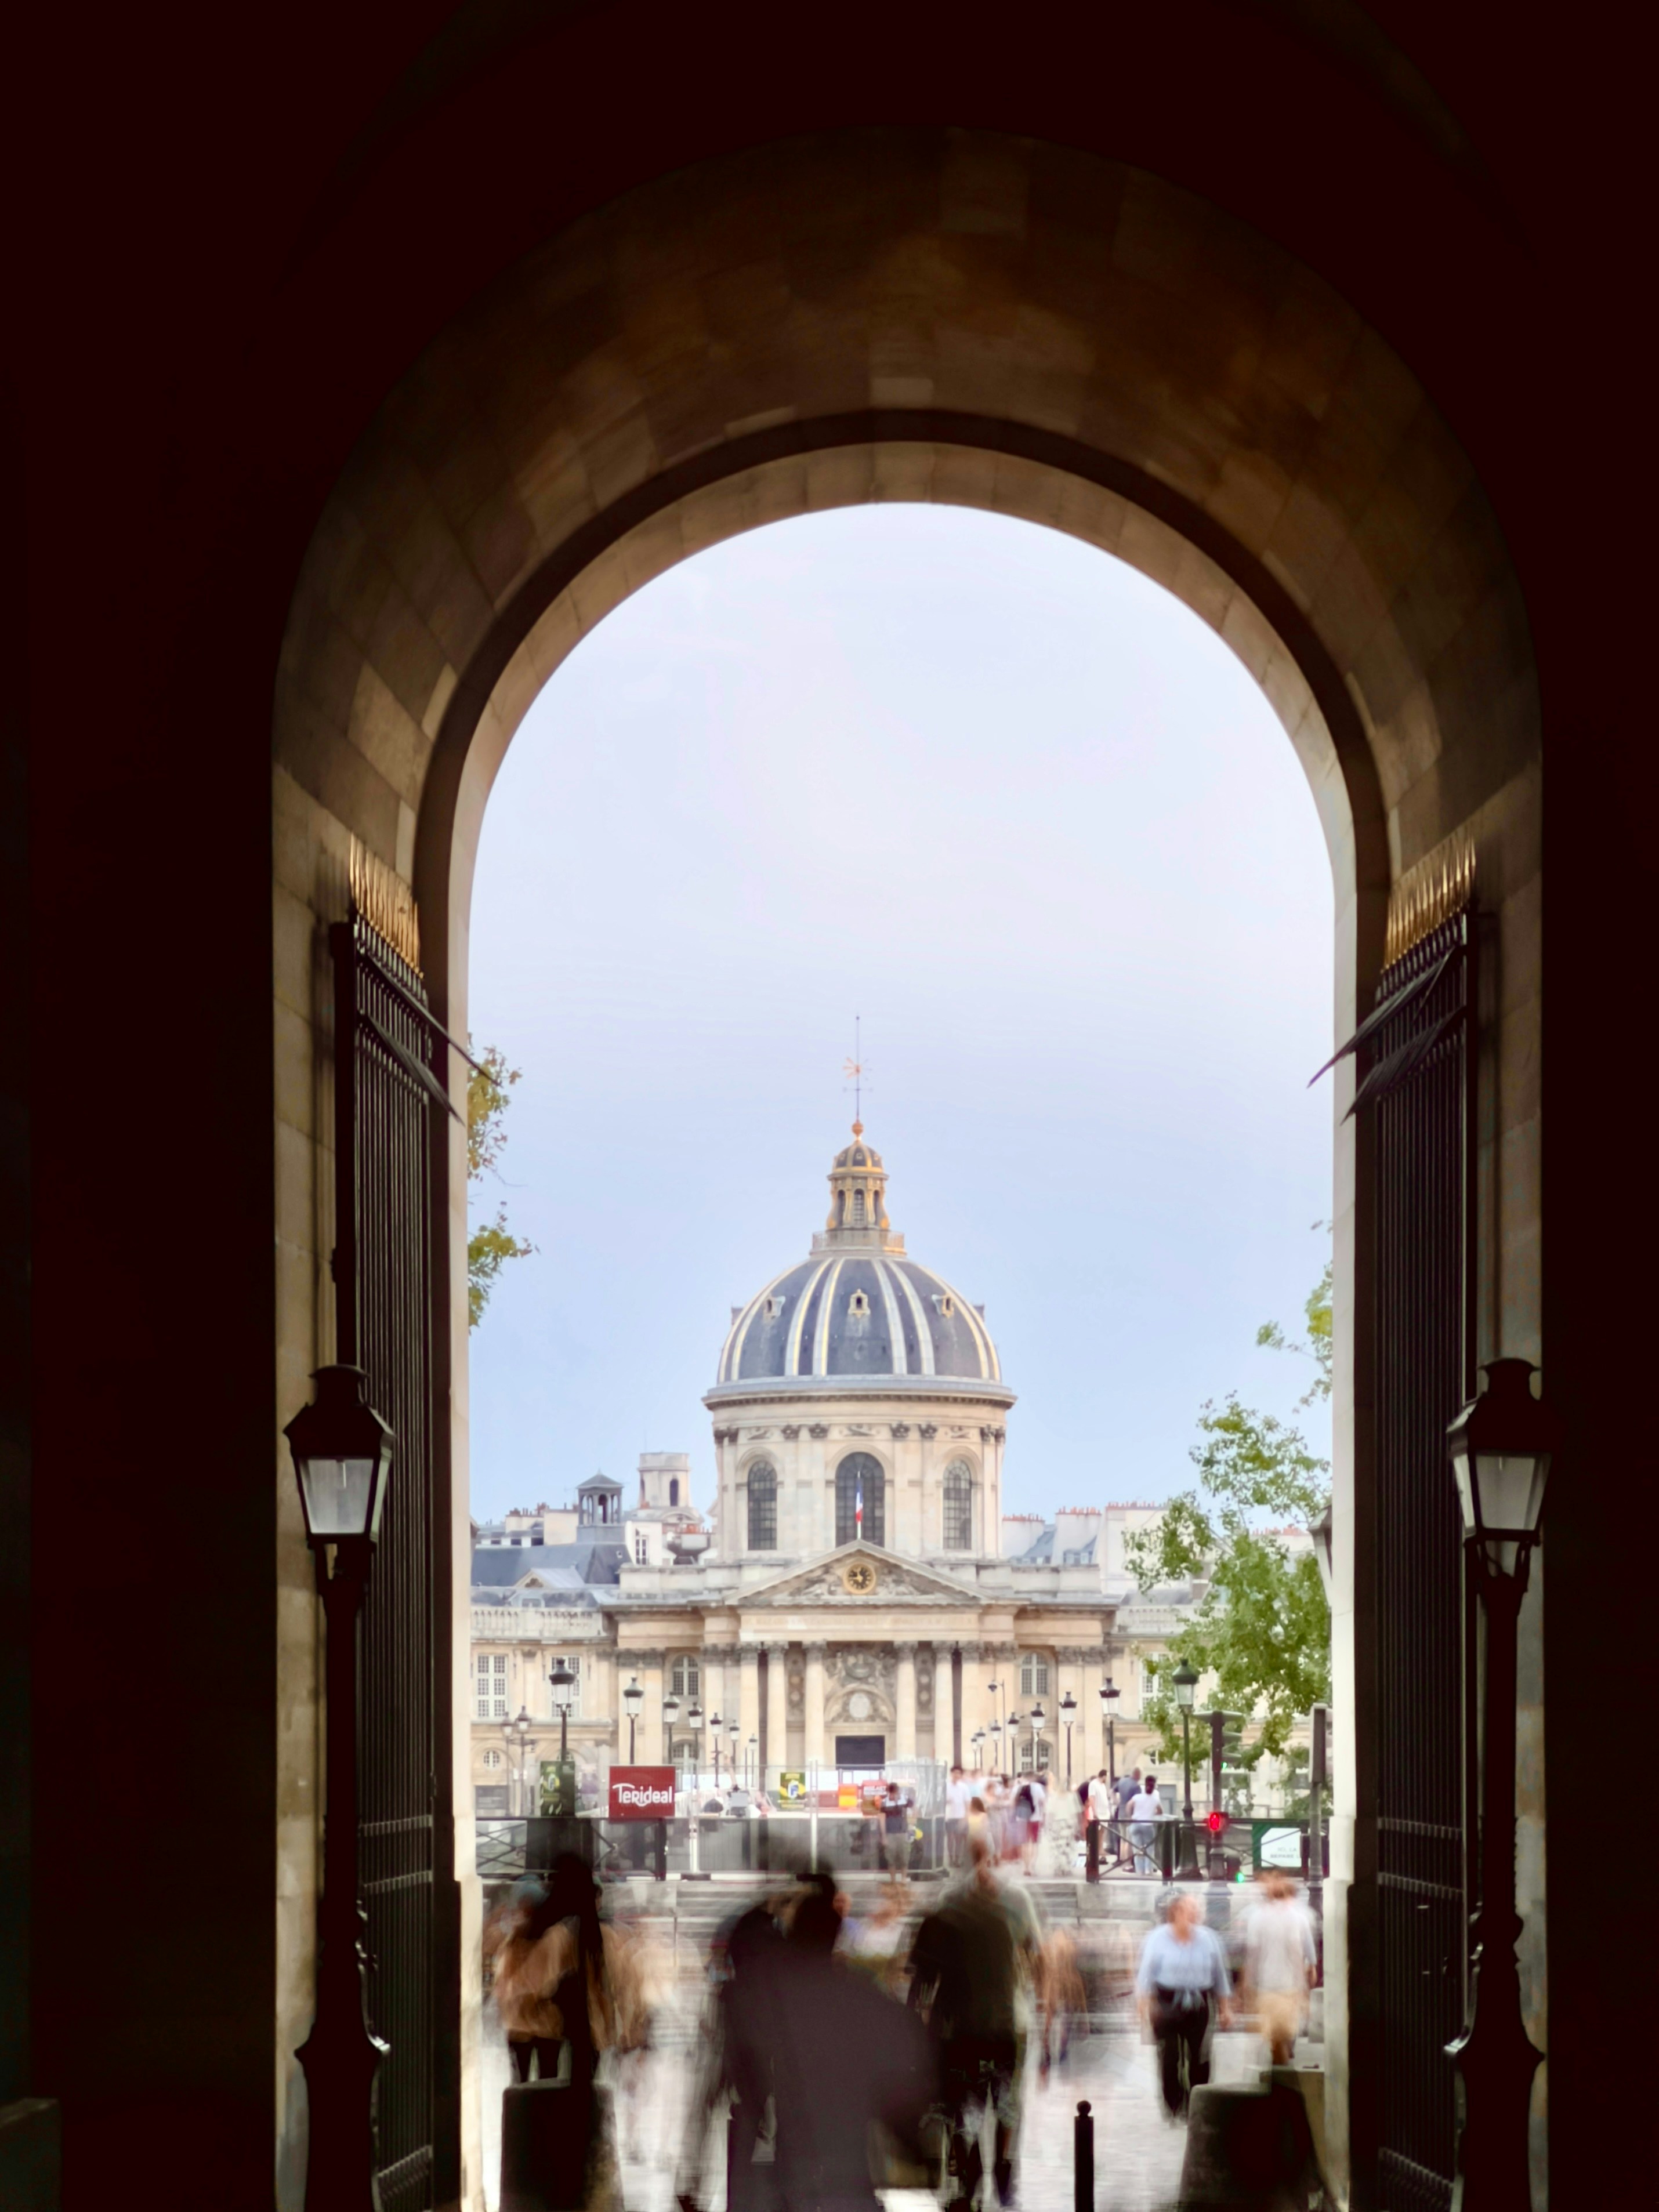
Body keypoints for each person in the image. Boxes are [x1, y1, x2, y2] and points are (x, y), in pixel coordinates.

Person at [764, 1874, 937, 2212]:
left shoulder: (775, 2005)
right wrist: (915, 2147)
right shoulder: (864, 2002)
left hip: (795, 2176)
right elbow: (899, 2090)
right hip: (851, 2178)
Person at [909, 1836, 1041, 2212]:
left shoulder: (945, 1915)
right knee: (998, 2103)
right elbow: (1030, 1957)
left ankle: (978, 2176)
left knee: (969, 2106)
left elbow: (922, 1985)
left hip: (970, 2028)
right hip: (996, 2025)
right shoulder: (996, 1916)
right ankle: (994, 2171)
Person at [1136, 1888, 1233, 2121]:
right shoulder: (1157, 1939)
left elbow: (1220, 1975)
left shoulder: (1209, 1938)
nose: (1197, 1912)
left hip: (1199, 2000)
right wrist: (1144, 2007)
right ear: (1177, 1912)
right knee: (1169, 2056)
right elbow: (1145, 1976)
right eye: (1191, 1908)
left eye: (1196, 1908)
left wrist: (1225, 2008)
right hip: (1166, 2000)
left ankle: (1197, 2103)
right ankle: (1173, 2102)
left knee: (1200, 2056)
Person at [1241, 1870, 1318, 2064]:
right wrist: (1304, 1989)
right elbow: (1298, 1954)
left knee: (1275, 2041)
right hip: (1289, 1987)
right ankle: (1284, 2075)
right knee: (1284, 2039)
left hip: (1267, 1986)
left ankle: (1280, 2075)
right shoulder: (1298, 1917)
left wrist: (1248, 1987)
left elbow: (1253, 1956)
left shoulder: (1257, 1917)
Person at [1126, 1772, 1165, 1876]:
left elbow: (1129, 1805)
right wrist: (1152, 1813)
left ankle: (1140, 1871)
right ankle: (1148, 1870)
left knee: (1137, 1848)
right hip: (1148, 1826)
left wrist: (1131, 1816)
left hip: (1136, 1824)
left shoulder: (1137, 1797)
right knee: (1149, 1848)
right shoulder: (1155, 1799)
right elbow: (1161, 1811)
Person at [1085, 1770, 1113, 1883]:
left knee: (1103, 1831)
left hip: (1105, 1812)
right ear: (1104, 1776)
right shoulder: (1093, 1784)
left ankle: (1101, 1849)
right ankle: (1095, 1851)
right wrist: (1095, 1811)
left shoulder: (1103, 1785)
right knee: (1096, 1832)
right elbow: (1092, 1798)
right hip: (1099, 1812)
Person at [1113, 1765, 1143, 1867]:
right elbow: (1136, 1803)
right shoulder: (1136, 1786)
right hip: (1130, 1815)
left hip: (1121, 1813)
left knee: (1122, 1838)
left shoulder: (1122, 1781)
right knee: (1129, 1840)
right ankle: (1128, 1863)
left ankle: (1122, 1860)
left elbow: (1111, 1791)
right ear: (1138, 1775)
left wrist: (1116, 1801)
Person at [946, 1763, 972, 1867]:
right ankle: (951, 1858)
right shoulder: (946, 1785)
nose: (957, 1775)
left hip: (960, 1816)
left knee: (959, 1839)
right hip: (949, 1816)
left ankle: (957, 1859)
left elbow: (968, 1802)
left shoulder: (964, 1787)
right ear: (952, 1773)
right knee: (950, 1838)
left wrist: (966, 1817)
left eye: (959, 1774)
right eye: (955, 1773)